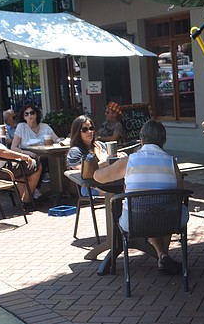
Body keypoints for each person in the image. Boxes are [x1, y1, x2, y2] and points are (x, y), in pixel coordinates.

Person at [93, 120, 186, 275]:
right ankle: (163, 255)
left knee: (147, 209)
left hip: (135, 221)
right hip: (171, 220)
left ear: (141, 140)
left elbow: (99, 178)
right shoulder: (171, 162)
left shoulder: (130, 161)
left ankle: (162, 256)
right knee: (165, 206)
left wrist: (101, 165)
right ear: (163, 140)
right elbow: (180, 191)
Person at [66, 115, 111, 196]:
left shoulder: (99, 145)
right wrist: (101, 164)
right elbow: (83, 171)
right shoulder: (75, 151)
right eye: (84, 129)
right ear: (77, 132)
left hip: (108, 181)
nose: (89, 132)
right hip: (90, 188)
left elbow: (111, 158)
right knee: (114, 193)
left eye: (91, 128)